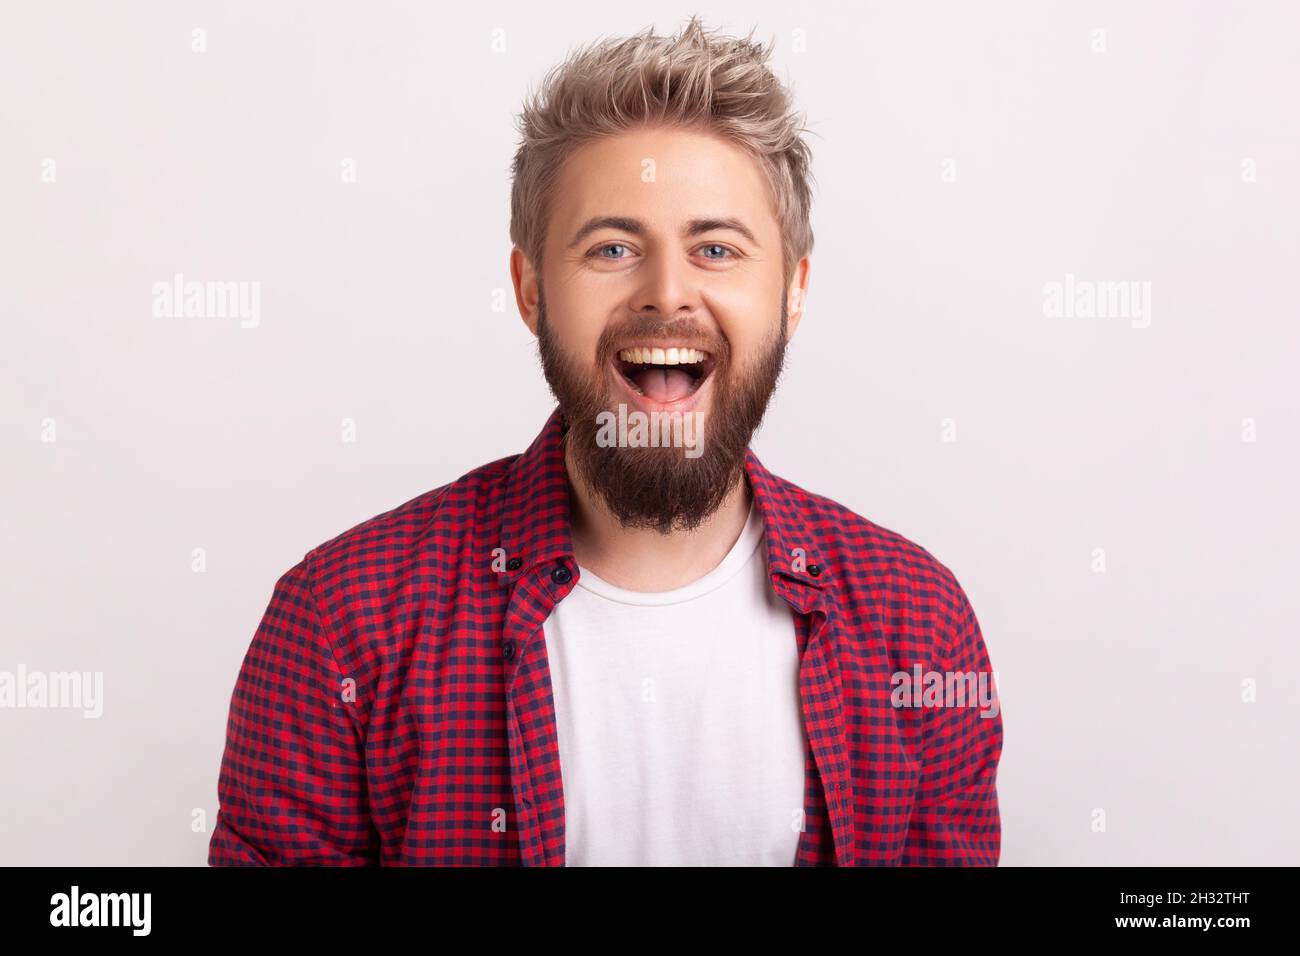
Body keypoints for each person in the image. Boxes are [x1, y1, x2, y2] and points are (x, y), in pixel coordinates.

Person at [209, 15, 1002, 867]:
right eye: (613, 247)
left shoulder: (919, 625)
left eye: (717, 248)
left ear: (794, 291)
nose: (667, 295)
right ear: (529, 289)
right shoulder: (339, 622)